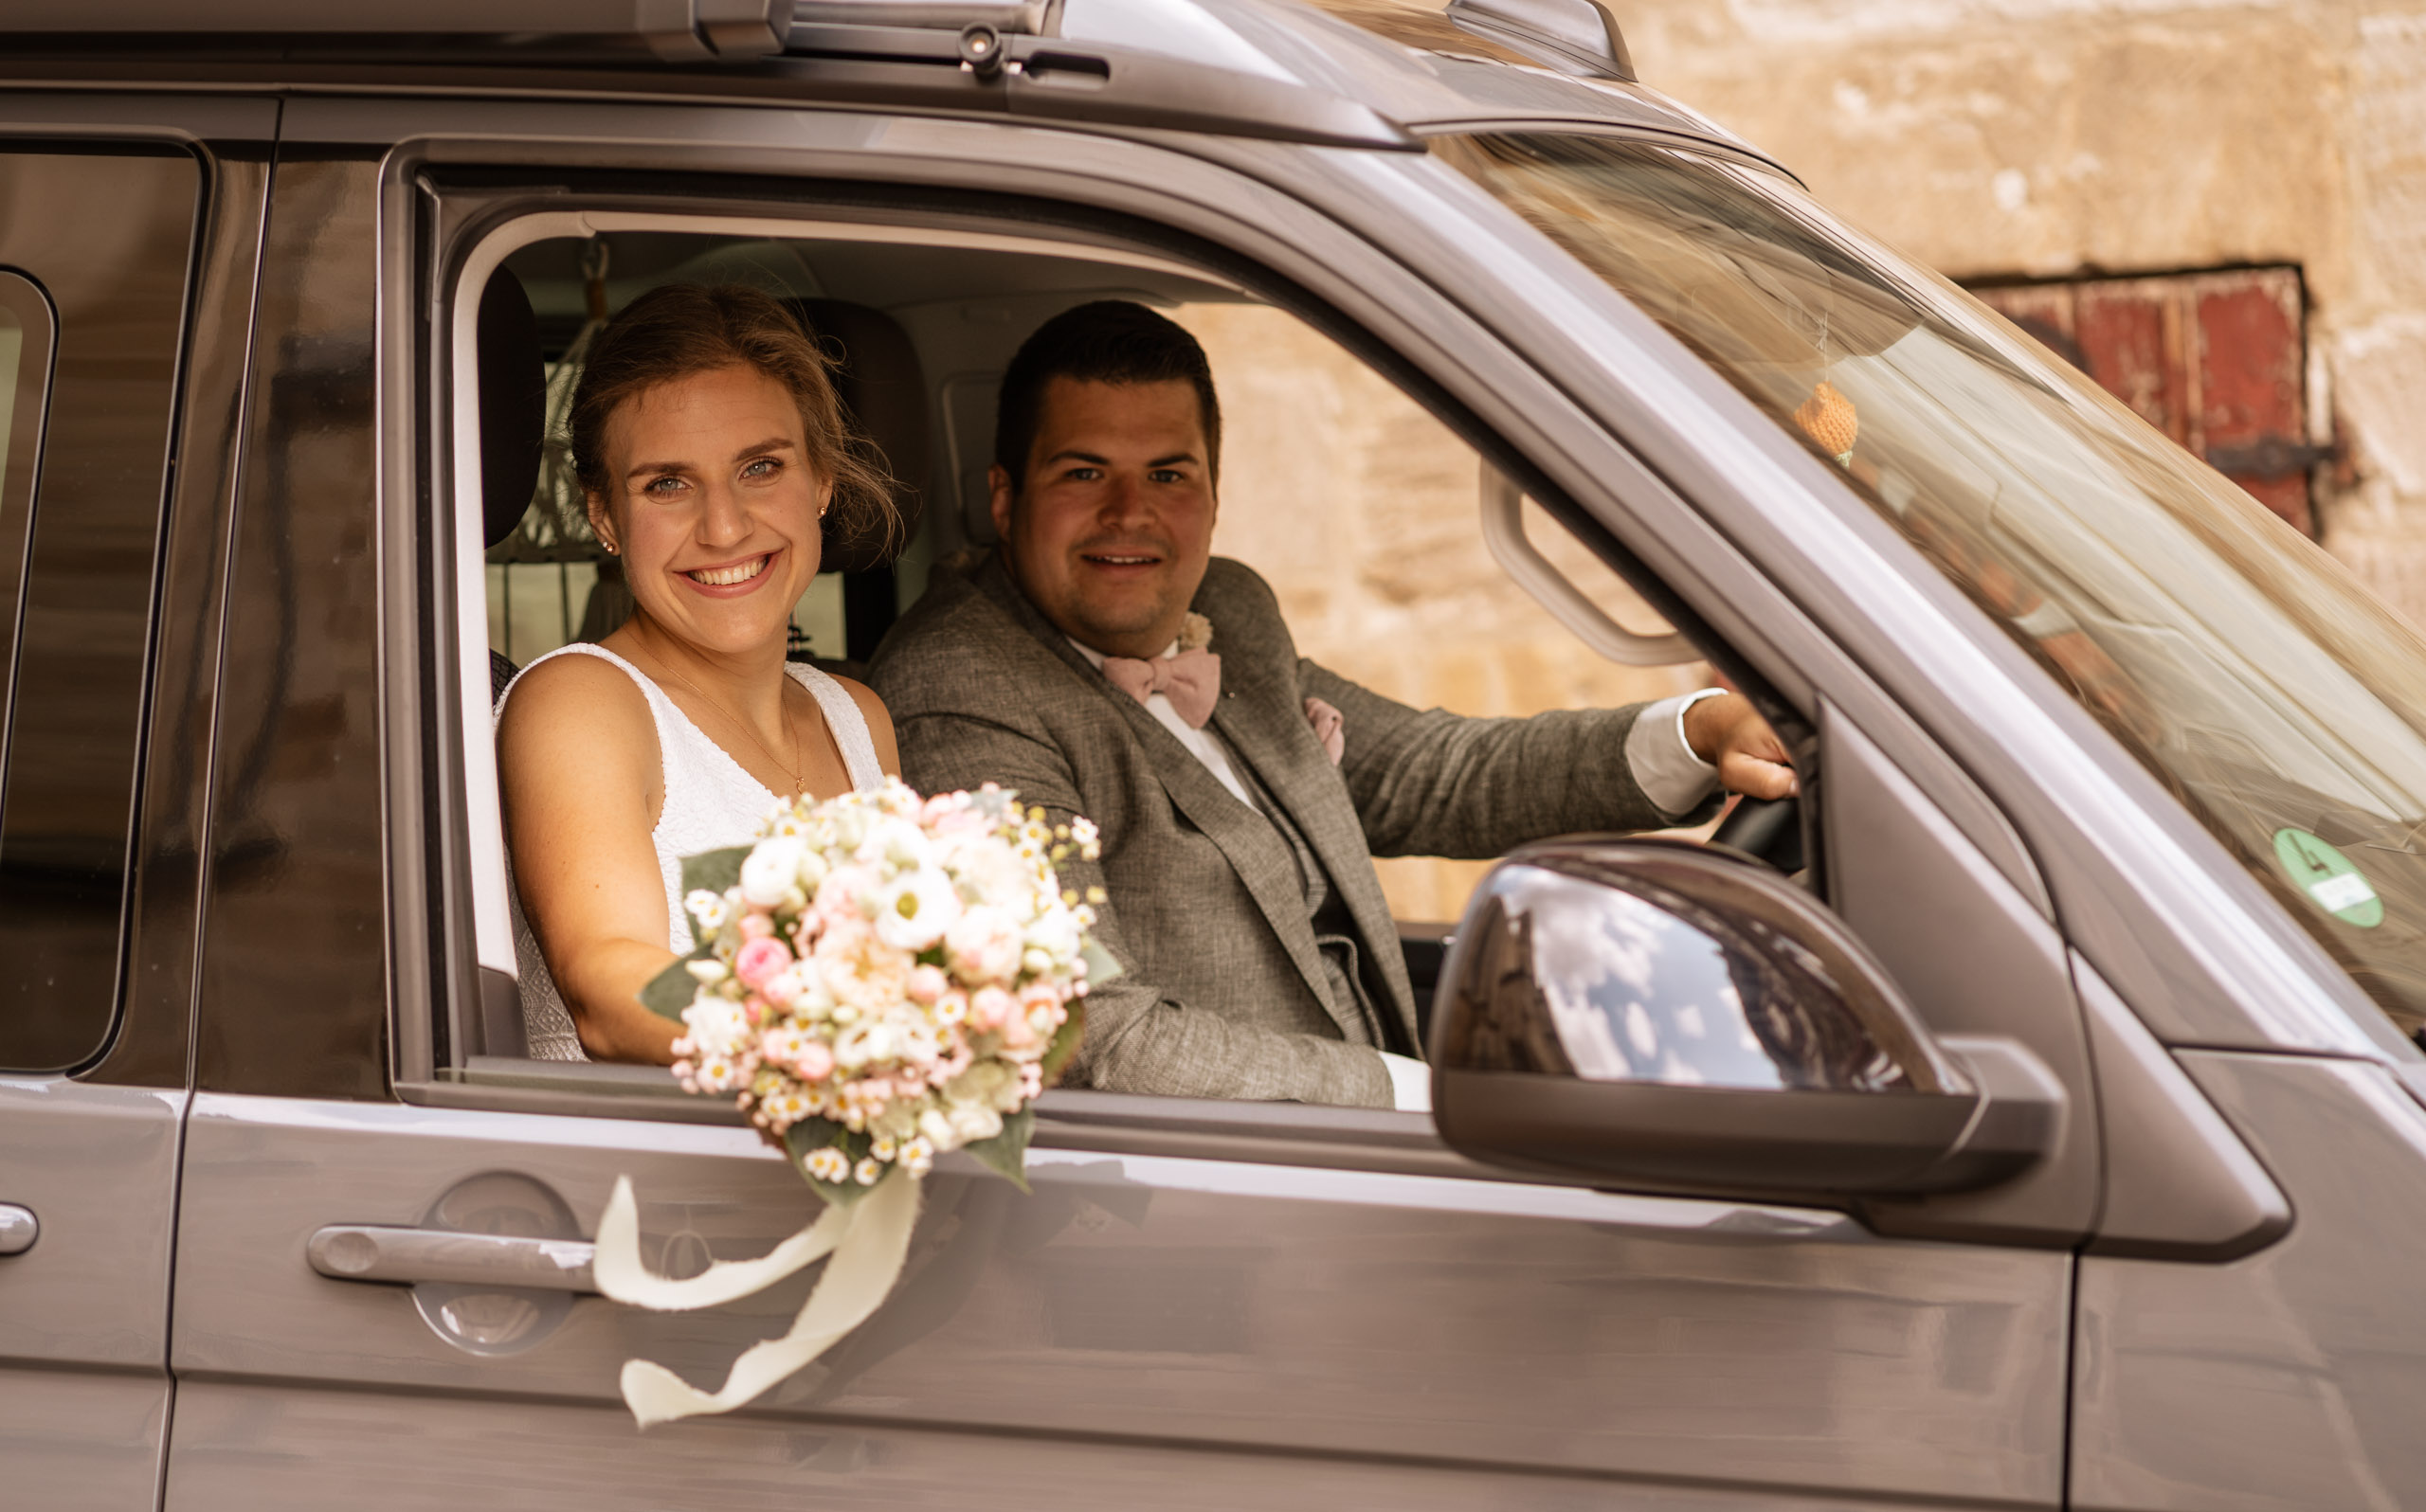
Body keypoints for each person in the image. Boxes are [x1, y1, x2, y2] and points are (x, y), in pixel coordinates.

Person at [868, 300, 1797, 1109]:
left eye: (1167, 474)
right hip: (1217, 1210)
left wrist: (1701, 733)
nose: (1128, 513)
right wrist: (1418, 1100)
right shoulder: (962, 688)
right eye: (1082, 473)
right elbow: (1091, 1033)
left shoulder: (1226, 611)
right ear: (1002, 498)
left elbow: (1429, 772)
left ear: (1214, 494)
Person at [497, 283, 902, 1064]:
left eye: (760, 467)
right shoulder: (581, 702)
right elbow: (613, 985)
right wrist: (868, 1053)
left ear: (821, 480)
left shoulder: (857, 715)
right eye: (667, 484)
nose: (723, 527)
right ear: (606, 515)